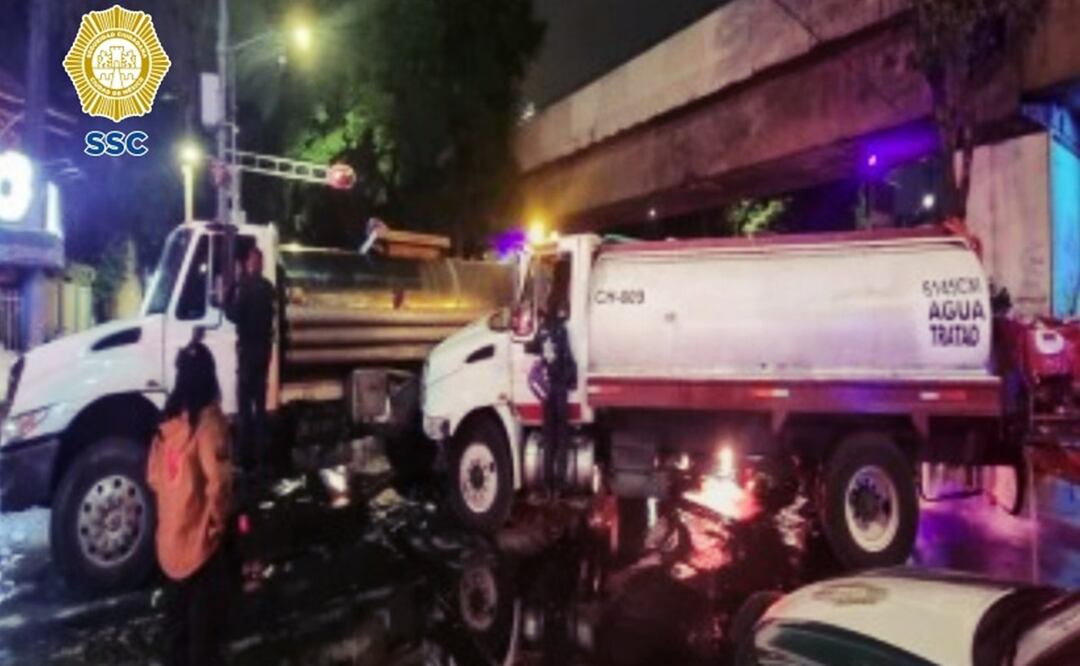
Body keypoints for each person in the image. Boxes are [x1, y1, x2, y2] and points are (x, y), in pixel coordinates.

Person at [147, 340, 233, 666]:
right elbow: (220, 484)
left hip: (168, 547)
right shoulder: (209, 423)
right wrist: (216, 524)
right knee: (205, 639)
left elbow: (154, 479)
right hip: (199, 551)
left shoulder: (165, 426)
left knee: (176, 635)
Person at [225, 246, 275, 473]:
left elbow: (232, 315)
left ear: (249, 264)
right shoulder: (268, 288)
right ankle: (263, 458)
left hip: (247, 356)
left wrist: (231, 288)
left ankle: (246, 461)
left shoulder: (244, 288)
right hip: (263, 354)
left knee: (245, 411)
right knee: (261, 410)